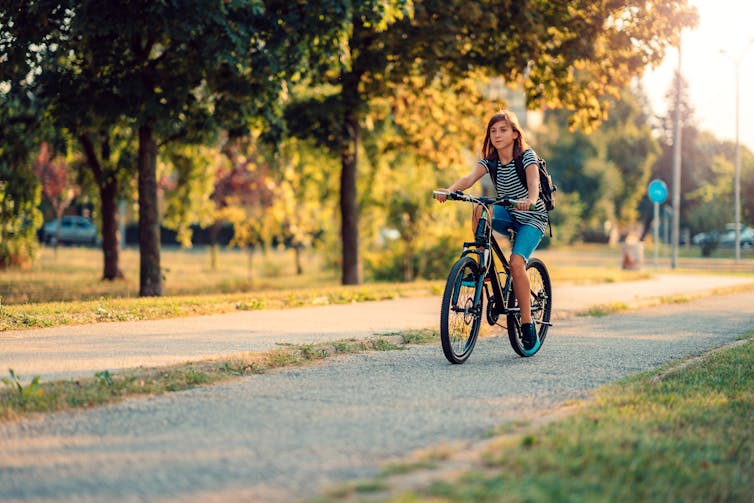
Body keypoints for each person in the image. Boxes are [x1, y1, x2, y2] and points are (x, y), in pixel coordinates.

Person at [435, 110, 548, 353]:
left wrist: (529, 199)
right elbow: (469, 178)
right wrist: (450, 190)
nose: (497, 135)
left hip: (531, 218)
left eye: (503, 130)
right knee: (480, 207)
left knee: (516, 263)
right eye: (493, 131)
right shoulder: (490, 159)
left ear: (515, 134)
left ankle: (527, 325)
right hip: (508, 212)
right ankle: (480, 265)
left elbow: (534, 188)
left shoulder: (527, 157)